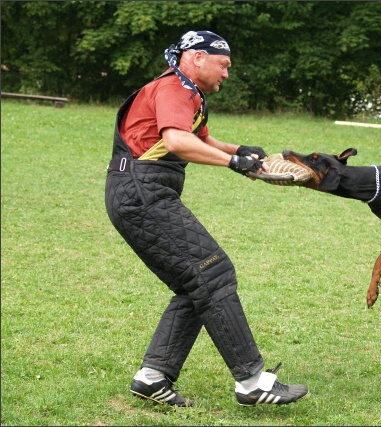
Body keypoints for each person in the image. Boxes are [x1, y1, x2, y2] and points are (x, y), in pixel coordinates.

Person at [105, 30, 308, 407]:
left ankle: (153, 377)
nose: (227, 74)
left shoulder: (186, 92)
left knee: (195, 283)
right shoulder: (173, 89)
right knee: (213, 274)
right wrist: (234, 163)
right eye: (224, 65)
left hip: (139, 192)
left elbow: (202, 140)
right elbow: (179, 142)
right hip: (141, 193)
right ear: (197, 58)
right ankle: (251, 381)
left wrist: (244, 154)